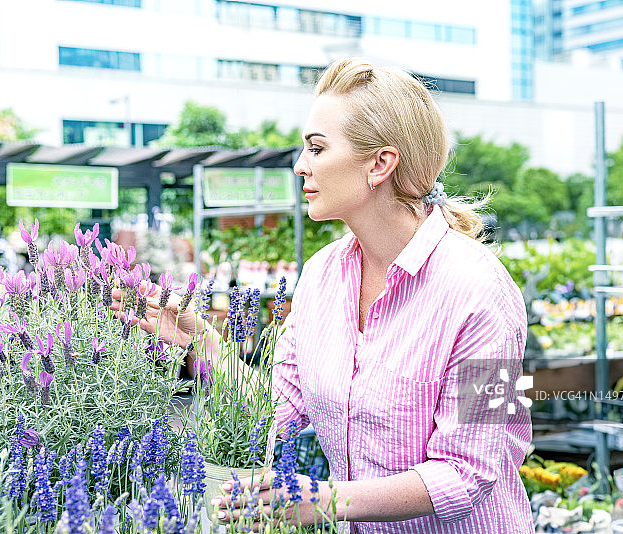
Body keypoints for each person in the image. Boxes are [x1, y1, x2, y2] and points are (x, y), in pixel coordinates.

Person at [113, 58, 534, 533]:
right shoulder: (320, 277)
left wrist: (328, 500)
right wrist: (199, 341)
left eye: (316, 148)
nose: (300, 166)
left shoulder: (482, 289)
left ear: (380, 164)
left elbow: (467, 474)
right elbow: (275, 410)